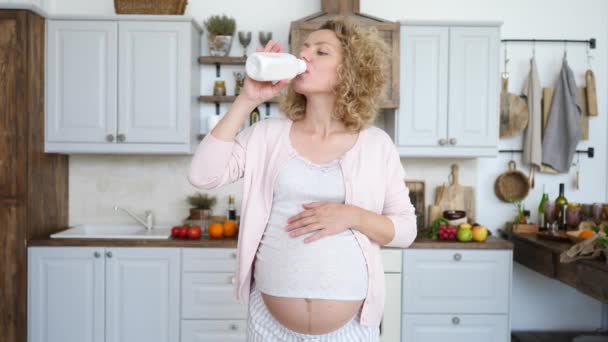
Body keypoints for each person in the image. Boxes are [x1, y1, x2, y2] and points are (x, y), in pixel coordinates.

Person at [188, 16, 417, 342]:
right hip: (269, 326)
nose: (305, 55)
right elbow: (202, 175)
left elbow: (406, 230)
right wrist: (248, 98)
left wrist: (351, 216)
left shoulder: (376, 144)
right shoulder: (268, 135)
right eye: (304, 48)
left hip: (350, 331)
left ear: (350, 71)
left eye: (321, 51)